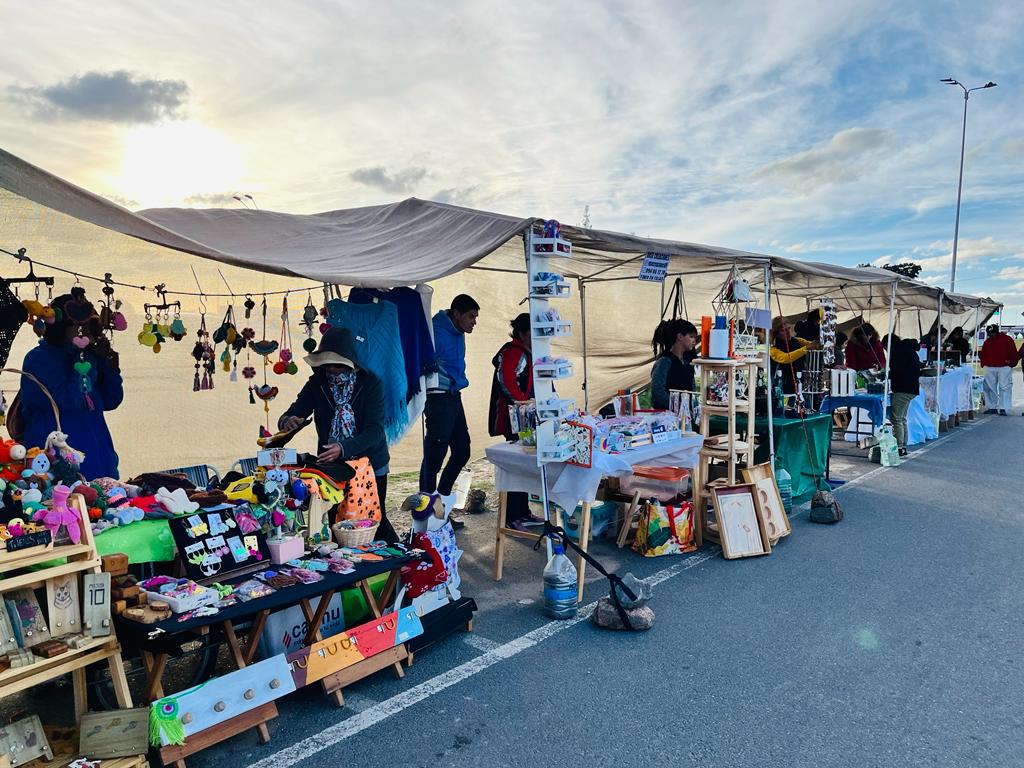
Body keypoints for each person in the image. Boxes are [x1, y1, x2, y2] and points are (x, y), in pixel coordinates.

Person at [279, 326, 397, 543]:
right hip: (332, 467)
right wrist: (288, 421)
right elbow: (294, 411)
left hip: (370, 463)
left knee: (372, 522)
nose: (330, 369)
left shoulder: (371, 383)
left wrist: (343, 448)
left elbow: (376, 431)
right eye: (326, 364)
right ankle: (347, 571)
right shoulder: (317, 383)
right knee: (337, 523)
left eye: (335, 364)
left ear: (349, 362)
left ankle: (394, 566)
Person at [18, 287, 123, 479]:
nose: (87, 332)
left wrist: (109, 366)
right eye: (80, 326)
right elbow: (70, 399)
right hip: (55, 466)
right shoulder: (38, 359)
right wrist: (84, 364)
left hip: (98, 461)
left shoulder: (89, 356)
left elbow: (111, 400)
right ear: (61, 327)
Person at [420, 294, 479, 522]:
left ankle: (441, 505)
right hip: (438, 398)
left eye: (475, 316)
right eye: (471, 316)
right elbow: (423, 364)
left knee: (462, 450)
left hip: (454, 395)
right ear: (456, 314)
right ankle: (426, 515)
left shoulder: (459, 332)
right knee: (434, 458)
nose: (474, 321)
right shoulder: (436, 331)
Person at [488, 313, 543, 532]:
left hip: (525, 417)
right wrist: (524, 404)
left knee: (523, 466)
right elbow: (507, 381)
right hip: (514, 418)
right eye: (532, 332)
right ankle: (512, 516)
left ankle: (522, 511)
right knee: (515, 466)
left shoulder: (529, 352)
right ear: (521, 333)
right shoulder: (513, 353)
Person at [649, 318, 698, 409]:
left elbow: (692, 390)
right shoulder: (664, 361)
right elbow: (658, 392)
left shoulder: (688, 363)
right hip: (666, 417)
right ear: (680, 336)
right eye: (691, 336)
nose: (694, 341)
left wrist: (694, 408)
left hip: (685, 416)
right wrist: (678, 406)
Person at [889, 337, 922, 457]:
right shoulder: (910, 351)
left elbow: (897, 370)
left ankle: (899, 446)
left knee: (896, 418)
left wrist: (887, 375)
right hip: (911, 389)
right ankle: (903, 446)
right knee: (902, 418)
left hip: (902, 389)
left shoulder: (899, 352)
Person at [769, 316, 818, 393]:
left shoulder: (798, 341)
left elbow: (812, 345)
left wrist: (817, 343)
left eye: (788, 328)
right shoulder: (773, 350)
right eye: (783, 330)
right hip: (783, 389)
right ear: (776, 334)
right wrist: (806, 348)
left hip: (802, 385)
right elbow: (786, 358)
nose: (788, 332)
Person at [979, 324, 1018, 415]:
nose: (990, 335)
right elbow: (983, 353)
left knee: (1004, 387)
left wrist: (1011, 363)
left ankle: (1004, 408)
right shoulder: (988, 341)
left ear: (997, 332)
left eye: (992, 333)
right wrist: (984, 362)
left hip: (1004, 367)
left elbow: (1013, 352)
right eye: (989, 333)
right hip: (990, 366)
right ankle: (991, 407)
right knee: (989, 387)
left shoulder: (1007, 340)